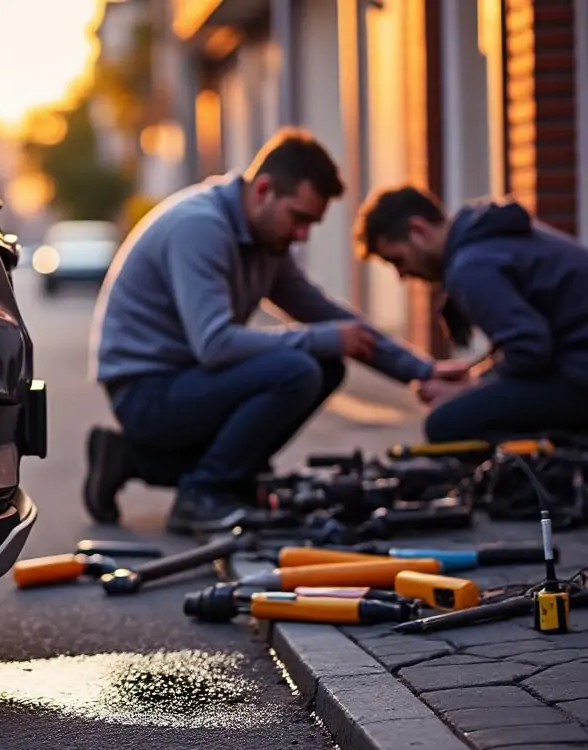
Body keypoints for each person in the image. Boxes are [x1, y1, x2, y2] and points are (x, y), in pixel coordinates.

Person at [84, 128, 437, 534]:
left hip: (188, 382)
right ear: (264, 190)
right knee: (295, 370)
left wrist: (423, 372)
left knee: (324, 365)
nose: (302, 235)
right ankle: (203, 493)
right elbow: (215, 344)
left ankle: (129, 459)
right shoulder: (200, 228)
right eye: (298, 218)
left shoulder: (266, 240)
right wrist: (325, 338)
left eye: (312, 224)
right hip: (146, 392)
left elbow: (324, 313)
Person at [354, 184, 588, 444]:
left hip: (578, 376)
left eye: (397, 260)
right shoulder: (491, 241)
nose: (402, 275)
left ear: (418, 230)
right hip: (574, 366)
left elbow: (529, 349)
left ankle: (559, 459)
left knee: (446, 423)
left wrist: (469, 389)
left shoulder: (471, 266)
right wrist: (479, 379)